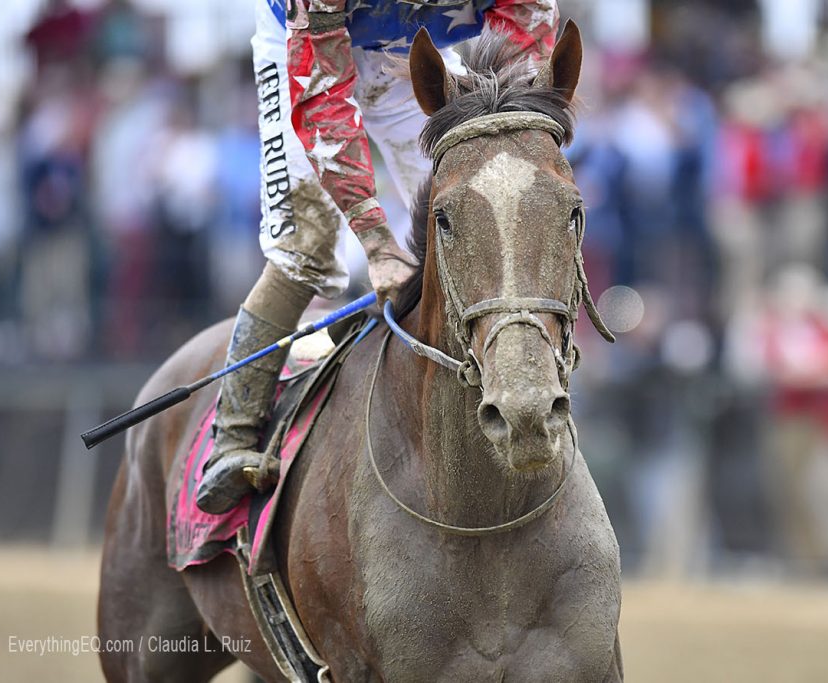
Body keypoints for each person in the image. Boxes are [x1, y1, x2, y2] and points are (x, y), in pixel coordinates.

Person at [197, 0, 560, 513]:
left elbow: (527, 58)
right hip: (306, 47)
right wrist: (376, 242)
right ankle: (232, 439)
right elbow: (321, 98)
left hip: (415, 45)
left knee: (480, 208)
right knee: (305, 248)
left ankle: (525, 397)